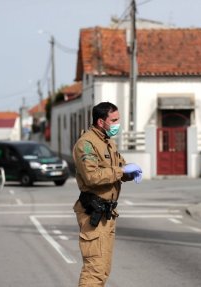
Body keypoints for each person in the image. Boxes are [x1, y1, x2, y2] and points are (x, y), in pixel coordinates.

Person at [72, 102, 143, 287]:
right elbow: (91, 177)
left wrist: (129, 172)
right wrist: (121, 171)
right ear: (101, 121)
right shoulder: (86, 144)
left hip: (107, 213)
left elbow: (118, 167)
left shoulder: (107, 143)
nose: (118, 123)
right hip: (93, 212)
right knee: (94, 271)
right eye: (114, 120)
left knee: (103, 270)